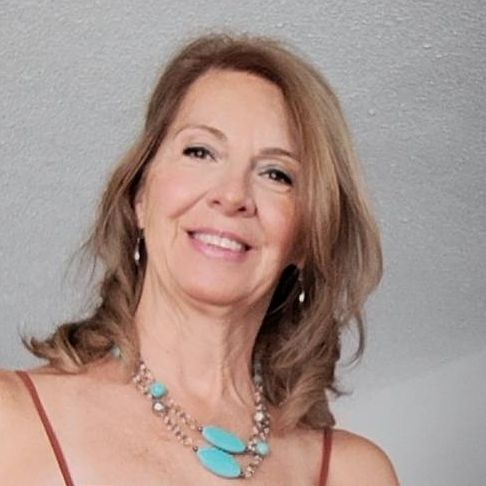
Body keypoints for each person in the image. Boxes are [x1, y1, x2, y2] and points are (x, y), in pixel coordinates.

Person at [0, 32, 399, 485]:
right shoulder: (11, 420)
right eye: (200, 151)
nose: (232, 195)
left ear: (307, 238)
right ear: (140, 195)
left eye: (277, 174)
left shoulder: (355, 472)